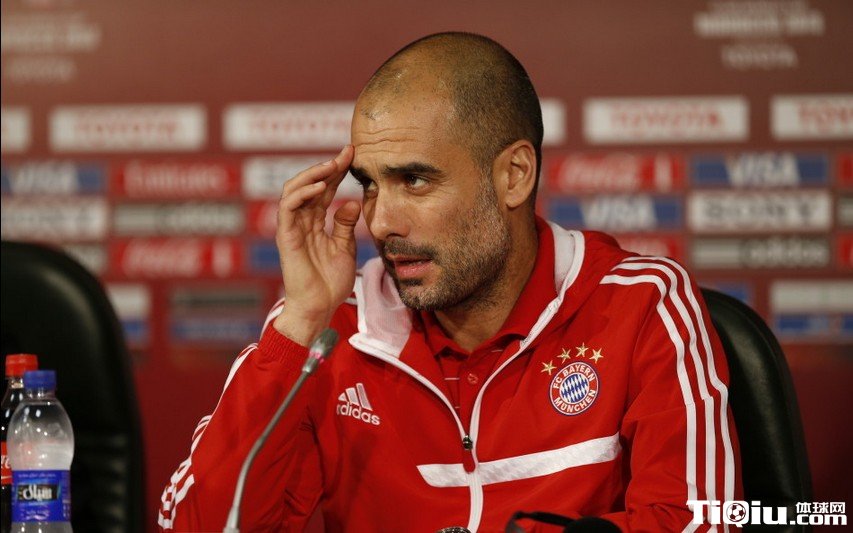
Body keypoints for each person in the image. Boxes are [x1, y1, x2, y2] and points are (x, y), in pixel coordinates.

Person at [158, 32, 740, 532]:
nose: (381, 222)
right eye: (369, 184)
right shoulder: (330, 330)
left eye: (414, 180)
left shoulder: (640, 303)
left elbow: (704, 521)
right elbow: (197, 526)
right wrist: (302, 321)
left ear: (514, 176)